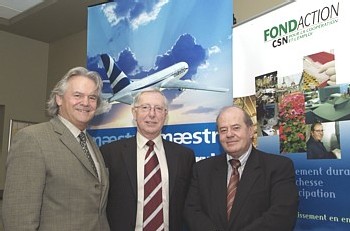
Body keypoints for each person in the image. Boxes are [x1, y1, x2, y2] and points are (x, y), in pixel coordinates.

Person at [2, 67, 110, 231]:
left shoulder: (91, 144)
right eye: (77, 95)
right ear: (59, 99)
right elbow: (18, 218)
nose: (86, 103)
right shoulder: (32, 139)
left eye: (92, 97)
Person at [184, 105, 299, 231]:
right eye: (223, 130)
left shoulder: (278, 167)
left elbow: (282, 215)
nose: (229, 134)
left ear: (250, 131)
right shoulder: (202, 169)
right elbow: (192, 210)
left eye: (236, 128)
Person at [100, 88, 195, 231]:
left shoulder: (184, 156)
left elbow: (190, 204)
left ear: (165, 114)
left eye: (158, 108)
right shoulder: (110, 153)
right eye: (145, 108)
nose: (152, 114)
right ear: (134, 112)